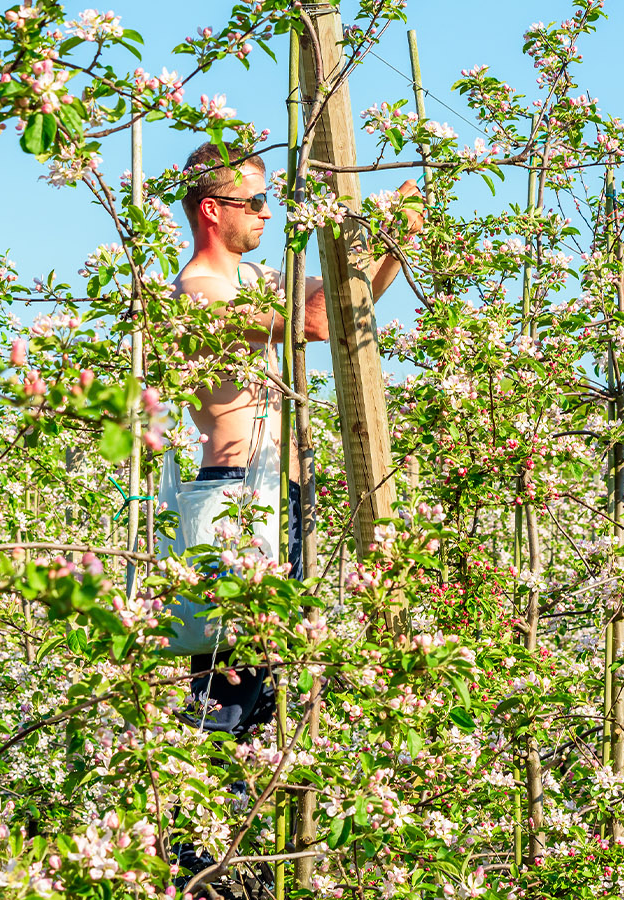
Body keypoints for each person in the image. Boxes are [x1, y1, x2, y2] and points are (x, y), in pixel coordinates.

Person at [169, 141, 422, 739]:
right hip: (234, 500)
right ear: (211, 209)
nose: (266, 212)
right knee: (232, 682)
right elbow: (314, 319)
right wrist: (361, 232)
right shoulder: (199, 292)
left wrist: (395, 238)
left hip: (280, 494)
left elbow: (346, 299)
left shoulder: (260, 278)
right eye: (254, 200)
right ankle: (205, 798)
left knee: (274, 677)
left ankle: (248, 788)